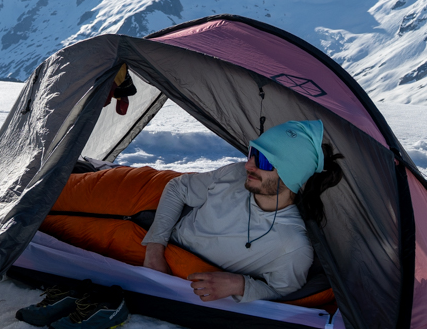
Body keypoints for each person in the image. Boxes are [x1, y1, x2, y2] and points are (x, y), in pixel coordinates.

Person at [141, 119, 344, 303]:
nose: (248, 165)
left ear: (292, 175)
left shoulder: (291, 245)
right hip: (151, 243)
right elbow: (178, 187)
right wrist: (155, 249)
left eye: (263, 161)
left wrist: (240, 285)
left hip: (185, 282)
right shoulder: (234, 174)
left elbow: (285, 294)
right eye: (252, 153)